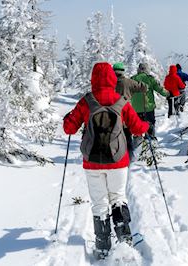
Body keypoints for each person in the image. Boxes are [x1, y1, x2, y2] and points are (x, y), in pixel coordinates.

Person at [63, 62, 149, 259]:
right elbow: (137, 128)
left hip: (92, 162)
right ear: (112, 78)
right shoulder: (121, 101)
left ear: (93, 79)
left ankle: (102, 248)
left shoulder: (87, 101)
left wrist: (68, 117)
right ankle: (125, 241)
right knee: (118, 197)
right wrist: (145, 125)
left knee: (99, 203)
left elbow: (69, 128)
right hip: (118, 161)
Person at [113, 62, 148, 159]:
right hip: (126, 115)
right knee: (127, 137)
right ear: (123, 71)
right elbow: (144, 87)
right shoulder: (129, 82)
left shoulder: (110, 83)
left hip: (111, 116)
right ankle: (128, 159)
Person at [131, 63, 169, 139]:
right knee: (149, 125)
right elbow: (160, 90)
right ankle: (150, 142)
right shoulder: (150, 79)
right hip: (147, 108)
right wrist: (168, 94)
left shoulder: (132, 79)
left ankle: (137, 143)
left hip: (135, 108)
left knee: (137, 128)